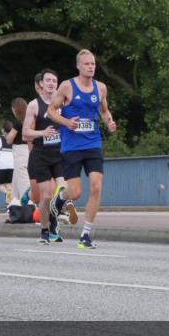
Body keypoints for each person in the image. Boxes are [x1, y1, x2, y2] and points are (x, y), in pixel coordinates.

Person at [47, 49, 117, 250]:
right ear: (78, 66)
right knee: (75, 193)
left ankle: (86, 234)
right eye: (86, 64)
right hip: (71, 147)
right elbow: (51, 111)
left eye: (93, 64)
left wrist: (110, 122)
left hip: (93, 143)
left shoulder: (101, 88)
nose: (90, 67)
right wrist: (66, 122)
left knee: (96, 185)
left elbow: (104, 111)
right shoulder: (67, 86)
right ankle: (59, 199)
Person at [23, 69, 65, 244]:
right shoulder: (34, 105)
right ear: (41, 83)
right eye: (47, 80)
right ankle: (45, 230)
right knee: (45, 196)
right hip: (41, 155)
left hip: (60, 153)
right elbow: (25, 134)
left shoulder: (63, 102)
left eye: (54, 81)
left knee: (64, 189)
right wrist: (43, 133)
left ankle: (55, 217)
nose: (51, 83)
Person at [9, 97, 30, 203]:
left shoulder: (19, 122)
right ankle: (14, 206)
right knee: (16, 182)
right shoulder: (31, 120)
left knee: (23, 180)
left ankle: (28, 206)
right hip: (29, 150)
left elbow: (9, 139)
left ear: (15, 109)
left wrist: (6, 136)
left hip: (20, 152)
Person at [0, 120, 16, 205]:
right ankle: (10, 206)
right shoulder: (14, 140)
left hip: (1, 166)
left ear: (3, 130)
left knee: (0, 186)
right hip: (12, 165)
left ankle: (7, 193)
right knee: (9, 186)